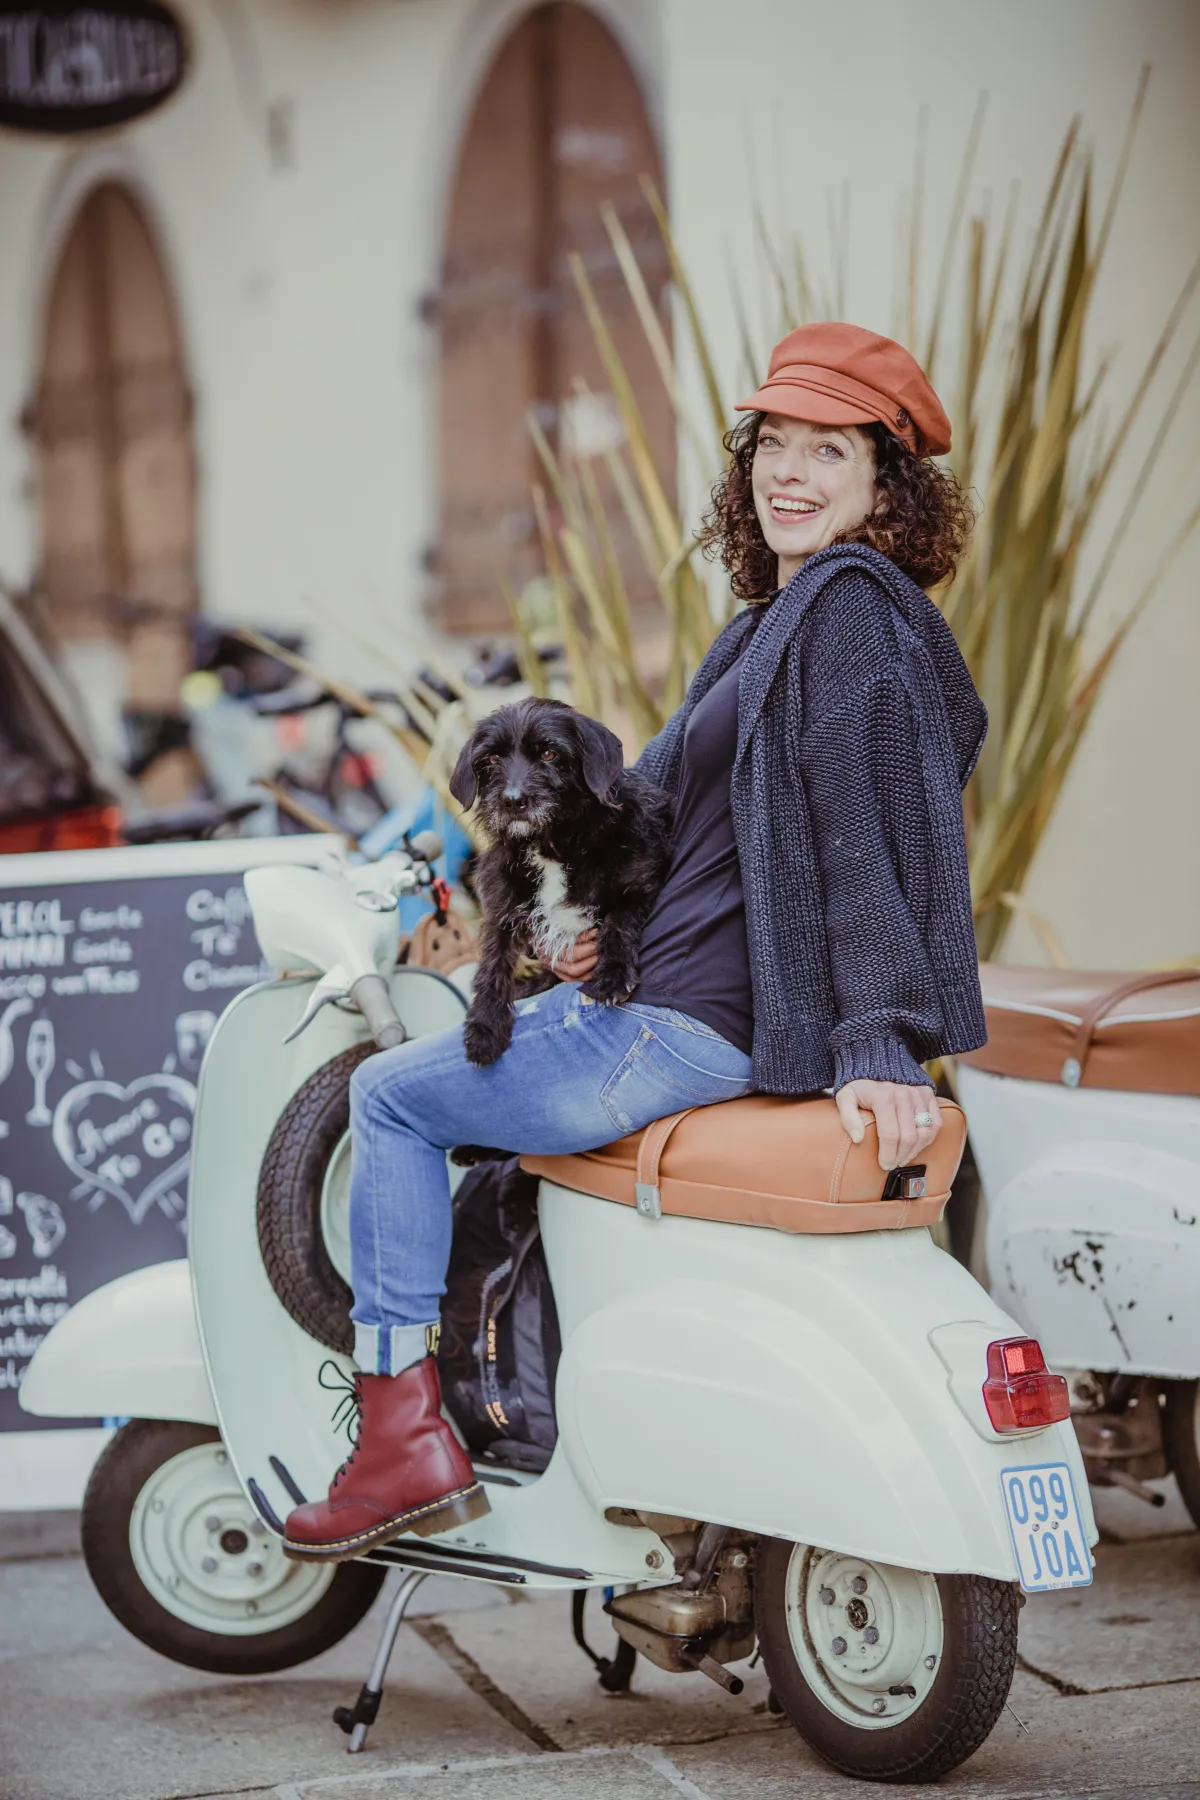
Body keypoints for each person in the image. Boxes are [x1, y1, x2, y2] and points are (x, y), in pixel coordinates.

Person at [283, 321, 988, 1561]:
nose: (791, 474)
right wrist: (581, 919)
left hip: (680, 1030)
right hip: (650, 996)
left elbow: (860, 834)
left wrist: (881, 1039)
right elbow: (646, 801)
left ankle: (400, 1441)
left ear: (888, 487)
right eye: (775, 443)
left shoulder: (846, 615)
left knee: (390, 1102)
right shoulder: (773, 621)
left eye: (830, 451)